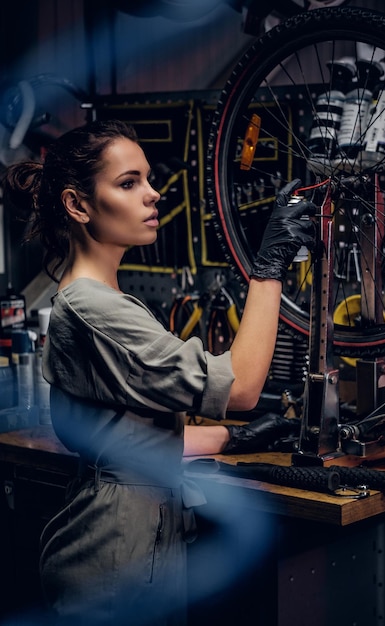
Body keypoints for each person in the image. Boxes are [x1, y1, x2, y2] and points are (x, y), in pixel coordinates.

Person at [3, 119, 316, 625]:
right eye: (128, 183)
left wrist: (229, 440)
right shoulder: (93, 309)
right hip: (113, 561)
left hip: (135, 547)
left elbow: (127, 443)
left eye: (149, 179)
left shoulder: (100, 302)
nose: (153, 195)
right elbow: (241, 386)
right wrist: (269, 265)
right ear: (78, 205)